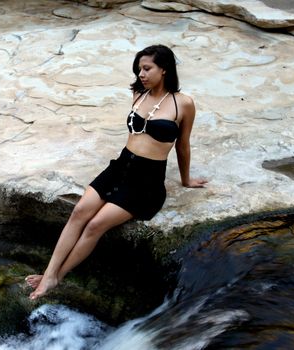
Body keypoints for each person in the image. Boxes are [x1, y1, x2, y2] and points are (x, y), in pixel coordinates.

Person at [26, 44, 207, 300]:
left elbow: (183, 145)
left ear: (164, 69)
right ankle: (48, 273)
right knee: (79, 212)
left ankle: (56, 277)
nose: (141, 74)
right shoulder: (138, 94)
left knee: (95, 225)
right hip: (121, 167)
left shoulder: (184, 104)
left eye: (147, 68)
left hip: (147, 181)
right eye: (139, 69)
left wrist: (185, 179)